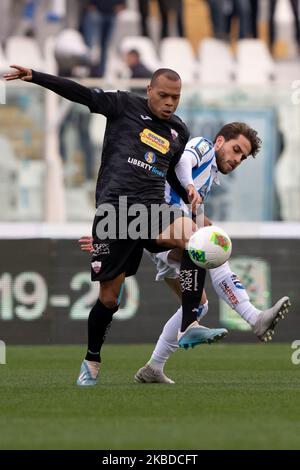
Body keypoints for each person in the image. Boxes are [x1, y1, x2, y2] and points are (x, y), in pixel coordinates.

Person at [4, 65, 227, 387]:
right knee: (109, 299)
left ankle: (189, 323)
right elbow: (80, 93)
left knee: (196, 238)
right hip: (116, 212)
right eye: (163, 95)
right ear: (149, 90)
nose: (169, 103)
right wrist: (36, 76)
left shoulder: (178, 131)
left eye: (175, 97)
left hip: (152, 208)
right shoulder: (123, 105)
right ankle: (92, 359)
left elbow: (167, 173)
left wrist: (186, 192)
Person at [79, 123, 291, 384]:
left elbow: (188, 204)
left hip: (170, 231)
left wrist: (205, 221)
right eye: (235, 150)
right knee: (211, 249)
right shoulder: (202, 147)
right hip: (161, 224)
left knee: (199, 304)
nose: (237, 159)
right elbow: (183, 164)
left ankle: (153, 368)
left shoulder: (210, 177)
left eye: (242, 157)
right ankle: (253, 316)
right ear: (219, 141)